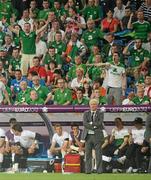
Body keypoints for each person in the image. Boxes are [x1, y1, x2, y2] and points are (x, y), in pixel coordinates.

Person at [83, 98, 104, 174]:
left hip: (97, 136)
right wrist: (93, 126)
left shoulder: (100, 113)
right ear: (89, 105)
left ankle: (99, 170)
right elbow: (85, 123)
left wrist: (91, 123)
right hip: (88, 136)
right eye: (92, 104)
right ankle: (88, 170)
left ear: (97, 105)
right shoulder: (86, 113)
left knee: (98, 154)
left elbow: (100, 123)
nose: (93, 106)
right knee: (88, 154)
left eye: (94, 104)